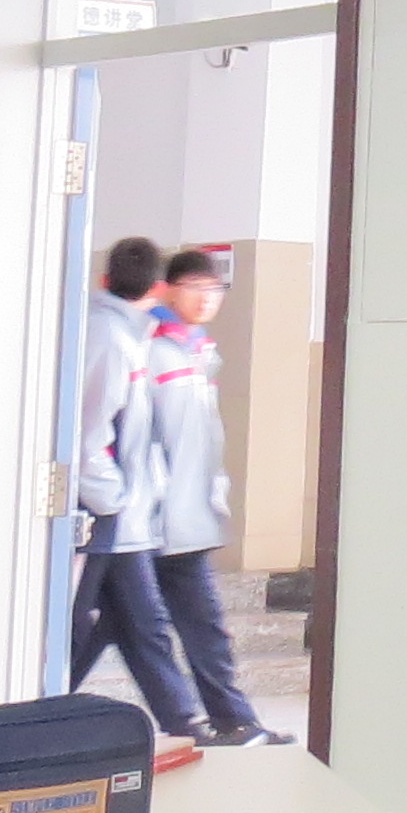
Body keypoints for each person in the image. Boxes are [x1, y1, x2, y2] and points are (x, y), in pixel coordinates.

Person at [144, 248, 289, 747]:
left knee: (153, 628)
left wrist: (215, 493)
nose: (206, 299)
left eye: (215, 290)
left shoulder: (199, 351)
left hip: (186, 518)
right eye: (195, 288)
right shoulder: (154, 349)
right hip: (155, 519)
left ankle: (223, 720)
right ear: (169, 290)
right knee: (180, 627)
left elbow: (206, 437)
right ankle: (222, 720)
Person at [71, 234, 202, 735]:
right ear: (160, 287)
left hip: (126, 510)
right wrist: (111, 497)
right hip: (108, 508)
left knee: (124, 621)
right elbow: (92, 428)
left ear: (105, 279)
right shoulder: (112, 337)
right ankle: (184, 718)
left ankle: (183, 717)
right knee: (119, 620)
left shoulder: (131, 333)